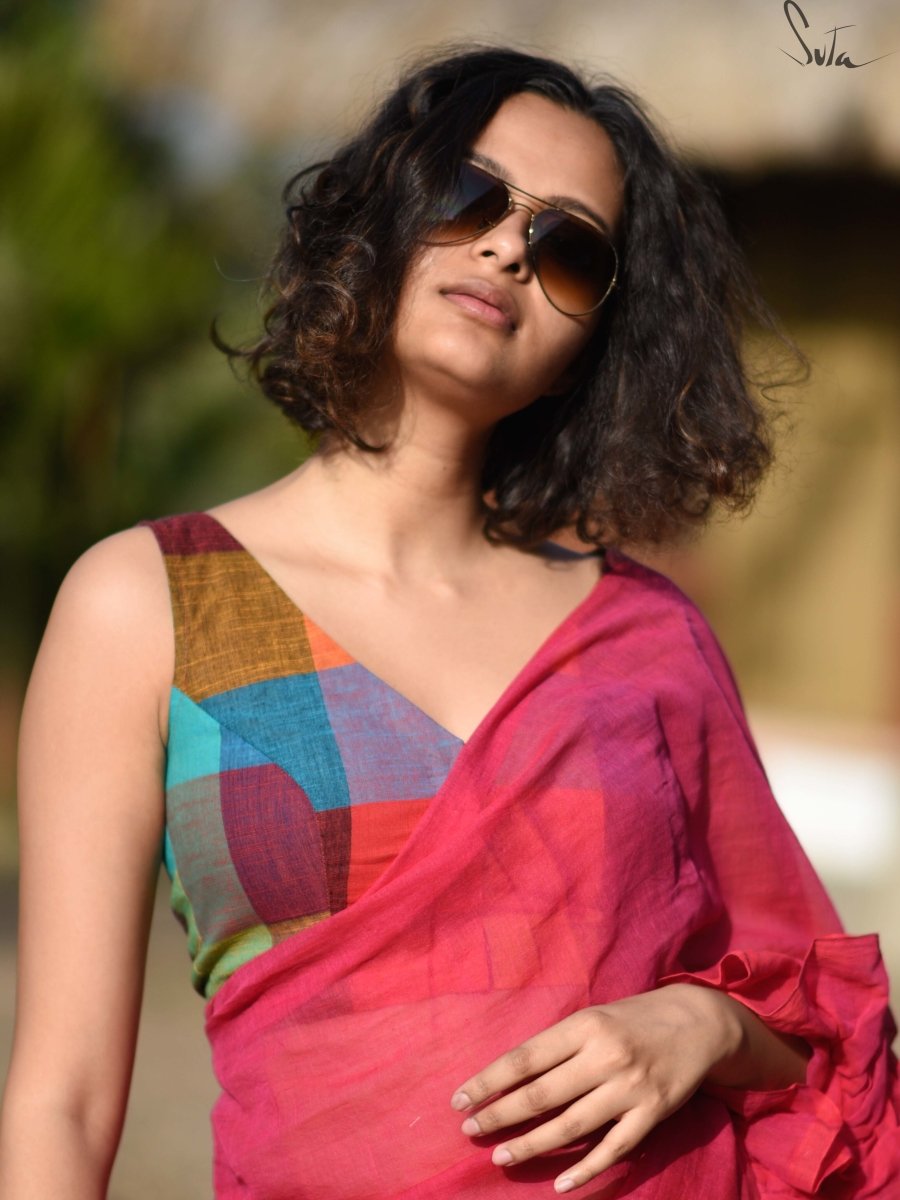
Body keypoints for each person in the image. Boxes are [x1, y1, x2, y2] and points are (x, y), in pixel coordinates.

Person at [1, 44, 897, 1200]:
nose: (511, 248)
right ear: (379, 221)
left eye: (571, 249)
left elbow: (831, 1042)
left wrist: (705, 1025)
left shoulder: (643, 636)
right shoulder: (149, 604)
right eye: (473, 195)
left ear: (587, 351)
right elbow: (64, 1099)